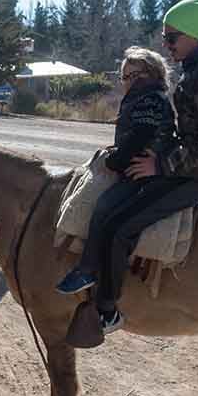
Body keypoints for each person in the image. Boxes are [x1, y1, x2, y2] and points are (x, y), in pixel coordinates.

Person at [57, 0, 198, 334]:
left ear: (194, 36)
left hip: (193, 176)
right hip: (184, 167)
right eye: (164, 38)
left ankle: (107, 309)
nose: (167, 44)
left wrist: (161, 165)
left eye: (172, 38)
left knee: (122, 225)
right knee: (113, 206)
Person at [55, 48, 180, 332]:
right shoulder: (142, 97)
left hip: (144, 172)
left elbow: (141, 135)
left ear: (151, 74)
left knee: (105, 208)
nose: (127, 81)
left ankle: (90, 273)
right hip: (133, 163)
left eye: (134, 75)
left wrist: (115, 160)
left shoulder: (150, 98)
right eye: (124, 77)